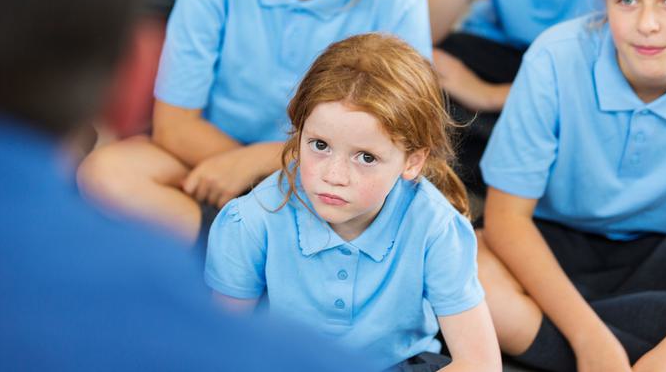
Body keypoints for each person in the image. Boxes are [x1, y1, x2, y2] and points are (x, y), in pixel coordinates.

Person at [0, 0, 376, 371]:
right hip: (211, 176)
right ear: (134, 76)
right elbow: (174, 128)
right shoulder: (136, 285)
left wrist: (267, 160)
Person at [77, 0, 432, 243]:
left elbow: (398, 143)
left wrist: (258, 161)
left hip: (329, 176)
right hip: (209, 157)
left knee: (382, 210)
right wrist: (237, 168)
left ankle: (248, 251)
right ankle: (245, 251)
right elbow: (175, 126)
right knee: (105, 173)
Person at [204, 34, 501, 371]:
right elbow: (223, 346)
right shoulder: (254, 219)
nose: (334, 175)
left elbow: (479, 363)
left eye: (366, 157)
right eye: (319, 145)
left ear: (412, 162)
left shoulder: (435, 228)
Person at [478, 0, 666, 370]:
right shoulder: (554, 57)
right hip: (551, 244)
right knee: (461, 267)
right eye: (627, 0)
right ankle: (610, 347)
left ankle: (570, 349)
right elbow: (506, 219)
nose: (647, 23)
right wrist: (588, 336)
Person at [425, 0, 603, 198]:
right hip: (502, 50)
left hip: (585, 71)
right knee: (418, 81)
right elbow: (420, 33)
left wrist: (488, 95)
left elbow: (620, 72)